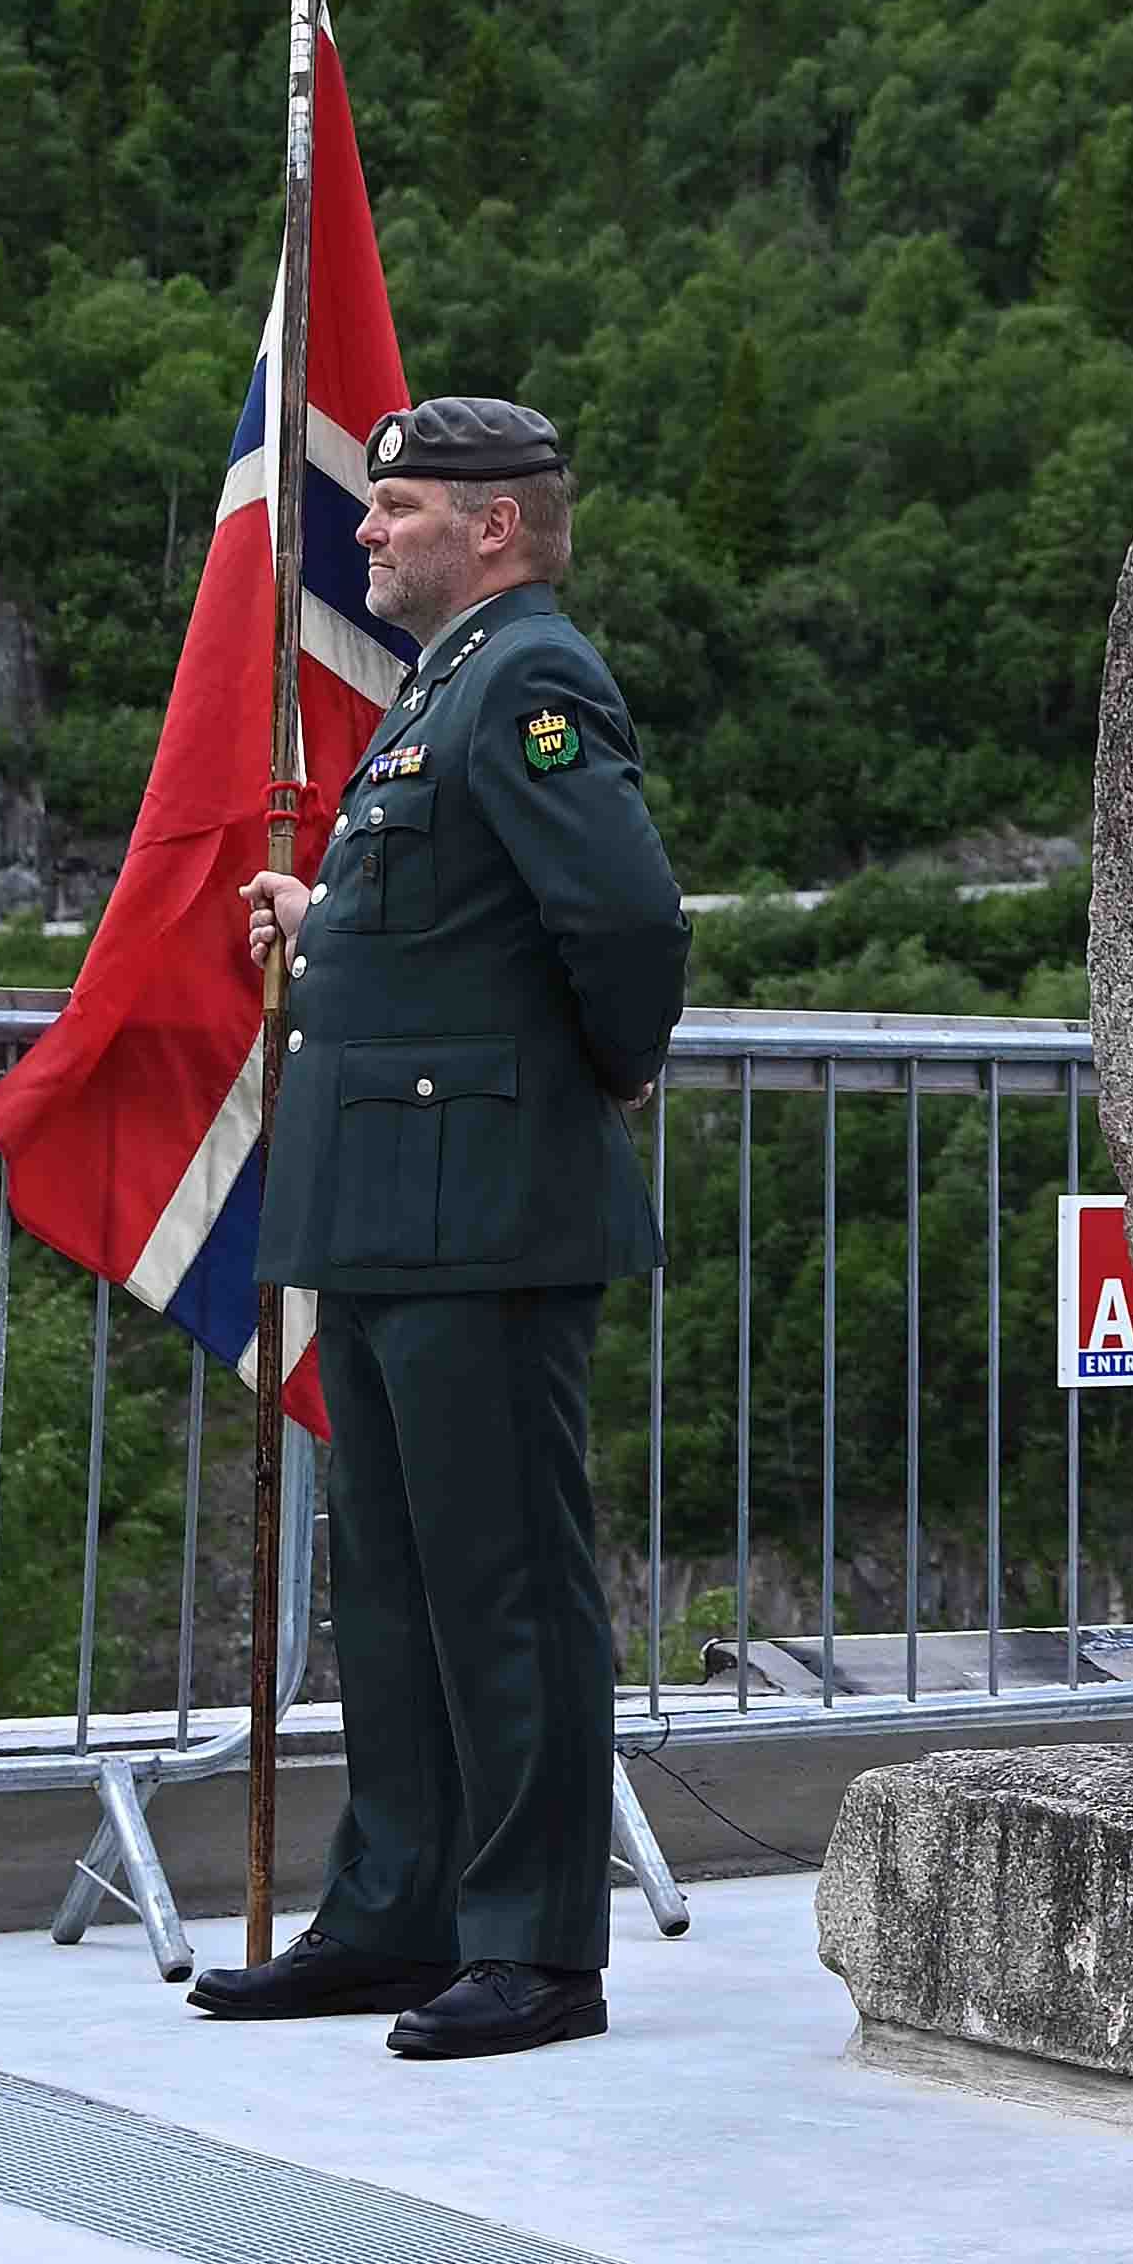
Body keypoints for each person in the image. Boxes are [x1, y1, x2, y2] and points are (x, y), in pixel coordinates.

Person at [191, 397, 689, 2060]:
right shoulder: (437, 694)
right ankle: (397, 1914)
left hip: (485, 1204)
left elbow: (623, 921)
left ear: (495, 526)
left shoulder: (534, 676)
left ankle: (536, 1950)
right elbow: (457, 926)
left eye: (398, 506)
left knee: (508, 1589)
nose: (368, 531)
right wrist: (323, 924)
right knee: (395, 1594)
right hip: (392, 1211)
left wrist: (599, 1081)